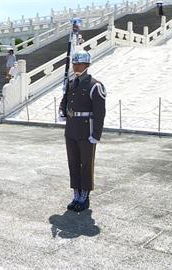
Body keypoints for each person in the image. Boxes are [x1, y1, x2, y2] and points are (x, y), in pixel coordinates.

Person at [58, 50, 106, 212]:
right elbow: (66, 103)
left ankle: (85, 196)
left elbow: (100, 113)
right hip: (71, 128)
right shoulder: (71, 83)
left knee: (86, 164)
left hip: (87, 130)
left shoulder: (95, 85)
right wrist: (63, 110)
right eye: (74, 64)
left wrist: (96, 134)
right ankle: (76, 193)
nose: (76, 66)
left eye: (79, 64)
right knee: (73, 163)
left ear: (87, 65)